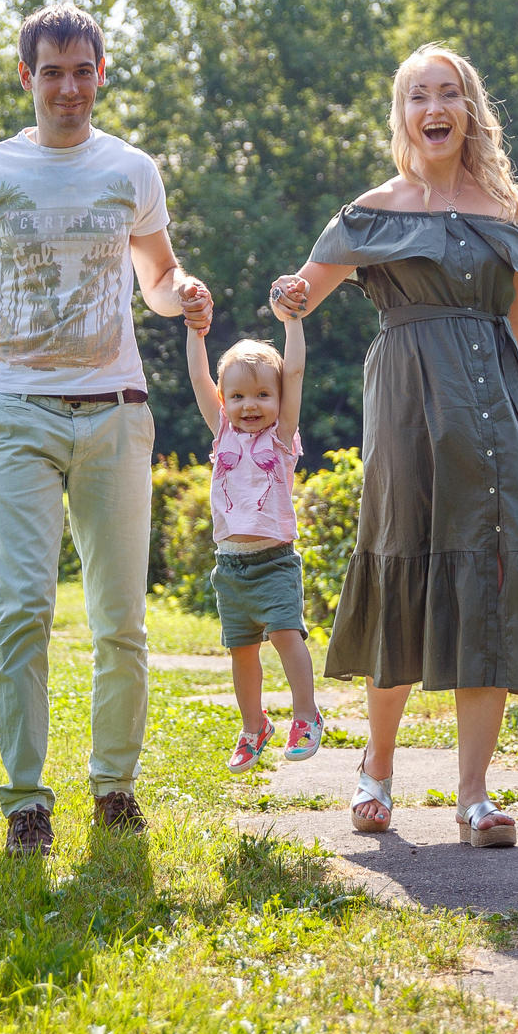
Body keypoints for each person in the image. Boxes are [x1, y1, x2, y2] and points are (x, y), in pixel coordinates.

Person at [0, 3, 212, 857]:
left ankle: (114, 788)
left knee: (120, 618)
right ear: (26, 77)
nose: (69, 87)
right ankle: (26, 799)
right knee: (23, 607)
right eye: (52, 72)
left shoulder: (131, 168)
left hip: (116, 412)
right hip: (19, 412)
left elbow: (156, 275)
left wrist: (182, 293)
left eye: (82, 71)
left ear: (102, 74)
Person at [269, 42, 518, 848]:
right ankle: (377, 768)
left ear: (470, 110)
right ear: (402, 114)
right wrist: (287, 294)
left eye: (449, 93)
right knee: (399, 570)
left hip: (494, 423)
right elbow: (302, 293)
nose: (434, 107)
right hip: (405, 416)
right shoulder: (374, 210)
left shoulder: (504, 210)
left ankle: (475, 797)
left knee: (491, 586)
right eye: (418, 95)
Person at [183, 315, 324, 773]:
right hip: (230, 567)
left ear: (280, 399)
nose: (250, 405)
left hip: (274, 561)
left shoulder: (280, 438)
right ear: (224, 401)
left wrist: (293, 322)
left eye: (264, 394)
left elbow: (295, 370)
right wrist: (195, 331)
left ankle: (306, 715)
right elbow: (199, 378)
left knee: (285, 634)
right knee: (241, 651)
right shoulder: (222, 431)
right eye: (238, 396)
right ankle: (253, 727)